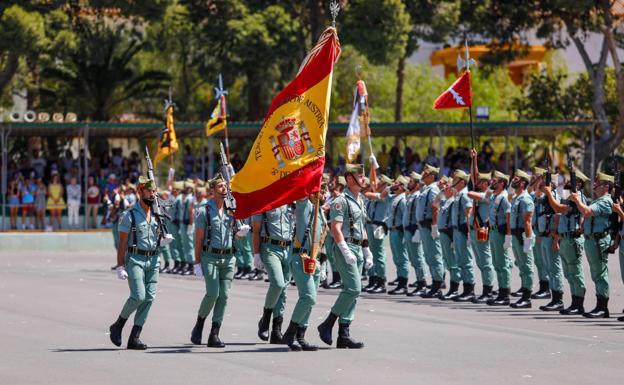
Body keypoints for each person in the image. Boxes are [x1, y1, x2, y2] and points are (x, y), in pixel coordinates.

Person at [317, 164, 372, 349]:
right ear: (350, 179)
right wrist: (345, 250)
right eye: (360, 175)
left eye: (363, 175)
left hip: (357, 247)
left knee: (352, 292)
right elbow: (336, 228)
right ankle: (327, 323)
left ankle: (343, 334)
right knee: (354, 289)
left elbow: (361, 227)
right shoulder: (341, 201)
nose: (363, 179)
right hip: (345, 247)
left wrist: (366, 249)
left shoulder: (361, 200)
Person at [190, 175, 246, 348]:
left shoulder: (232, 209)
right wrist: (197, 262)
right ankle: (199, 324)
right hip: (210, 257)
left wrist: (240, 234)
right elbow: (198, 239)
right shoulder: (204, 210)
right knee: (213, 293)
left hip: (229, 258)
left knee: (224, 295)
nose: (224, 189)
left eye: (225, 186)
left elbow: (236, 235)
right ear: (212, 191)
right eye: (220, 187)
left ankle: (214, 334)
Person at [108, 176, 161, 350]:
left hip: (153, 260)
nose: (152, 194)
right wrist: (120, 265)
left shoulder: (157, 213)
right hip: (136, 259)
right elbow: (122, 243)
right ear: (140, 192)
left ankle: (135, 337)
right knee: (139, 296)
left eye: (154, 191)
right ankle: (118, 324)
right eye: (149, 191)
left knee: (149, 298)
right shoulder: (129, 215)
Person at [283, 192, 328, 351]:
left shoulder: (320, 210)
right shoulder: (304, 205)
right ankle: (290, 333)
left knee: (312, 299)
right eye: (321, 190)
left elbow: (321, 240)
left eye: (325, 190)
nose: (325, 193)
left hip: (314, 259)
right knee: (308, 297)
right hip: (301, 256)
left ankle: (300, 336)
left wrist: (323, 265)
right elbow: (301, 191)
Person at [541, 169, 589, 315]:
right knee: (569, 273)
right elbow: (561, 218)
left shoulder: (578, 197)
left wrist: (549, 193)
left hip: (573, 240)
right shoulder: (570, 197)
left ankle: (579, 304)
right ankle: (574, 302)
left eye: (571, 179)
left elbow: (558, 208)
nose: (567, 181)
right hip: (565, 238)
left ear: (578, 183)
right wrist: (557, 238)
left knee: (575, 272)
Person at [570, 172, 614, 318]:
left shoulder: (605, 201)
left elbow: (587, 212)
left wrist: (577, 201)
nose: (594, 185)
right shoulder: (598, 200)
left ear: (606, 186)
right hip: (591, 239)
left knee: (600, 273)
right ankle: (599, 305)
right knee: (596, 274)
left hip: (598, 241)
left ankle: (603, 307)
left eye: (598, 183)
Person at [253, 201, 295, 345]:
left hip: (288, 249)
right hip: (270, 247)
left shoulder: (292, 202)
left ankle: (277, 330)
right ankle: (265, 320)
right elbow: (257, 230)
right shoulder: (264, 202)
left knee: (283, 290)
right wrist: (256, 254)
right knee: (277, 284)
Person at [416, 164, 446, 298]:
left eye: (426, 173)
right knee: (429, 255)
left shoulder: (433, 189)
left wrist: (434, 226)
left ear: (432, 176)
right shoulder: (425, 189)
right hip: (423, 226)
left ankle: (438, 285)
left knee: (435, 255)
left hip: (429, 225)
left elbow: (435, 208)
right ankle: (435, 282)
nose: (422, 174)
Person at [486, 171, 514, 306]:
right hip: (492, 232)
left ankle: (505, 294)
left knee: (503, 264)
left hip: (500, 233)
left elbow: (508, 217)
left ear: (502, 183)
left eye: (495, 180)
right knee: (497, 264)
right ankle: (501, 291)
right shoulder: (493, 197)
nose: (492, 182)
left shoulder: (504, 197)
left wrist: (508, 236)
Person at [509, 170, 535, 309]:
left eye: (516, 179)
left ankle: (527, 297)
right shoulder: (516, 198)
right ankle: (524, 293)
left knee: (527, 267)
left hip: (523, 236)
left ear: (523, 183)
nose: (513, 180)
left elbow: (528, 221)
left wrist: (529, 240)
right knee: (522, 267)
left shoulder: (525, 199)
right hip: (516, 235)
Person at [450, 169, 476, 302]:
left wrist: (469, 233)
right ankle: (465, 288)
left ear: (461, 182)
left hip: (463, 231)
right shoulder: (458, 194)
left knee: (466, 260)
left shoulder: (465, 195)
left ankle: (469, 289)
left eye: (455, 179)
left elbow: (468, 213)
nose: (452, 181)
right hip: (457, 231)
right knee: (461, 260)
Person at [387, 176, 410, 295]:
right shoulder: (396, 197)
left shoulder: (403, 199)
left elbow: (406, 216)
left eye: (397, 183)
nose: (394, 184)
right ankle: (399, 279)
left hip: (399, 231)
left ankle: (403, 283)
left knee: (402, 257)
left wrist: (404, 231)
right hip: (393, 230)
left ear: (402, 186)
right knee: (397, 257)